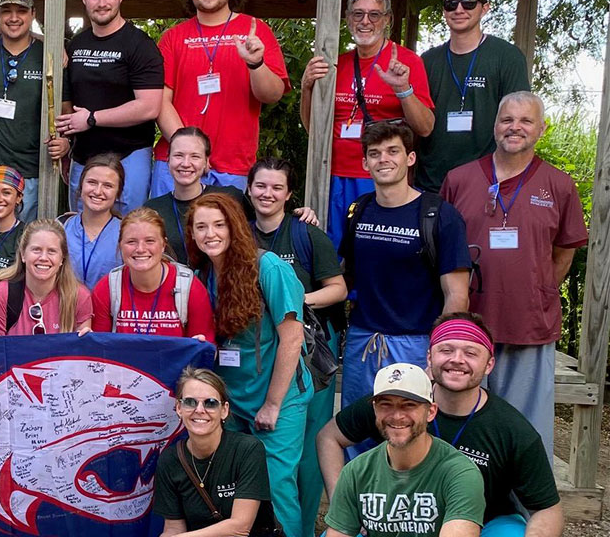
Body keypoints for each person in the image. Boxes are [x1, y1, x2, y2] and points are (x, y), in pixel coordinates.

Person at [318, 313, 564, 537]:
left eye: (471, 353)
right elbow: (329, 437)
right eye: (446, 350)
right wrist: (347, 503)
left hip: (487, 521)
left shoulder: (511, 429)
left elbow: (547, 509)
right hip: (396, 519)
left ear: (489, 364)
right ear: (429, 357)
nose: (457, 360)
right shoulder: (397, 403)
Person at [440, 91, 587, 458]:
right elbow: (440, 250)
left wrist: (535, 291)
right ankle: (462, 506)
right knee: (463, 429)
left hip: (529, 326)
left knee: (525, 431)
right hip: (468, 328)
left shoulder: (559, 185)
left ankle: (523, 513)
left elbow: (564, 252)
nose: (515, 127)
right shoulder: (459, 180)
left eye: (525, 121)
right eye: (507, 120)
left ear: (541, 128)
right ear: (495, 126)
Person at [186, 192, 309, 536]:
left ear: (235, 227)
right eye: (201, 226)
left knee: (276, 485)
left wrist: (272, 405)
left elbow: (292, 338)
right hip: (232, 402)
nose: (210, 233)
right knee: (234, 490)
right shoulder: (200, 274)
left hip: (277, 399)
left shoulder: (268, 267)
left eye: (219, 224)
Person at [246, 157, 346, 537]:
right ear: (249, 189)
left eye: (276, 187)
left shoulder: (306, 234)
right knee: (270, 451)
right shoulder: (240, 232)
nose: (267, 194)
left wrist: (291, 300)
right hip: (260, 355)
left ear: (289, 194)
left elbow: (339, 289)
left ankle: (302, 528)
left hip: (308, 353)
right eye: (260, 186)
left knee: (306, 449)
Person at [339, 121, 471, 410]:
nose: (383, 159)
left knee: (407, 429)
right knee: (357, 427)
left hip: (416, 342)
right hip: (364, 339)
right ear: (364, 162)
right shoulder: (358, 211)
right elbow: (346, 277)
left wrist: (440, 353)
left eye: (393, 151)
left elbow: (457, 295)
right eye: (374, 153)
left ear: (410, 158)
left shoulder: (440, 216)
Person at [300, 0, 435, 245]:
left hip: (381, 177)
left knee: (375, 250)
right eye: (358, 14)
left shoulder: (407, 62)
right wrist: (307, 88)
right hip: (334, 175)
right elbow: (312, 131)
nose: (365, 21)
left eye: (374, 15)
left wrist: (403, 90)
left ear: (387, 19)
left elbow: (426, 127)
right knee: (334, 251)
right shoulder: (336, 63)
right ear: (348, 18)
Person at [155, 0, 290, 195]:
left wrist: (256, 64)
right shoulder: (173, 37)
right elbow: (160, 101)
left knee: (227, 234)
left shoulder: (255, 29)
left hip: (233, 165)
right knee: (167, 234)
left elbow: (272, 95)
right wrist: (190, 154)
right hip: (175, 164)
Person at [322, 363, 485, 537]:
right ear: (375, 410)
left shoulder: (460, 473)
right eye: (386, 405)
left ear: (431, 411)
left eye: (408, 405)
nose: (397, 416)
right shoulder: (356, 471)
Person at [57, 0, 164, 213]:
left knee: (128, 232)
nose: (102, 3)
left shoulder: (140, 45)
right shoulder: (76, 45)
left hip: (129, 156)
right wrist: (65, 145)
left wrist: (92, 119)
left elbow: (149, 107)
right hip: (84, 158)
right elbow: (66, 101)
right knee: (82, 232)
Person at [418, 0, 530, 193]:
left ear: (485, 8)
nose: (459, 10)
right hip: (431, 184)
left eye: (468, 3)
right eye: (451, 5)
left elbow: (519, 123)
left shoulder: (507, 57)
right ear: (444, 11)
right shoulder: (427, 60)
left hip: (486, 184)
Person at [0, 0, 68, 221]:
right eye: (6, 11)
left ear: (33, 14)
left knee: (27, 243)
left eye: (21, 11)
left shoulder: (49, 56)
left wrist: (65, 141)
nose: (14, 18)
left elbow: (66, 109)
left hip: (32, 172)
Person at [154, 368, 281, 537]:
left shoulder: (247, 449)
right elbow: (174, 529)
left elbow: (240, 528)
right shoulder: (170, 460)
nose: (199, 410)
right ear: (178, 408)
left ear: (224, 410)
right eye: (190, 402)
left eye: (210, 403)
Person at [90, 207, 215, 339]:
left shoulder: (189, 287)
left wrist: (201, 350)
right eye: (131, 242)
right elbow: (100, 352)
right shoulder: (107, 288)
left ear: (163, 245)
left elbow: (207, 350)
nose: (140, 249)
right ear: (120, 245)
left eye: (150, 241)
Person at [143, 127, 250, 264]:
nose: (186, 163)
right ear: (168, 160)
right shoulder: (153, 209)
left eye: (195, 156)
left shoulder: (229, 197)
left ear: (206, 162)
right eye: (179, 155)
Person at [0, 219, 93, 336]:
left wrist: (87, 342)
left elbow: (81, 353)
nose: (43, 257)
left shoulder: (79, 296)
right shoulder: (2, 294)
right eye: (36, 250)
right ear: (23, 254)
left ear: (62, 258)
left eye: (52, 251)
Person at [63, 154, 124, 289]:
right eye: (92, 182)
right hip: (66, 307)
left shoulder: (126, 233)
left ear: (118, 193)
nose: (98, 191)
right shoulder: (61, 227)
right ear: (81, 185)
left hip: (109, 308)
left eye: (107, 186)